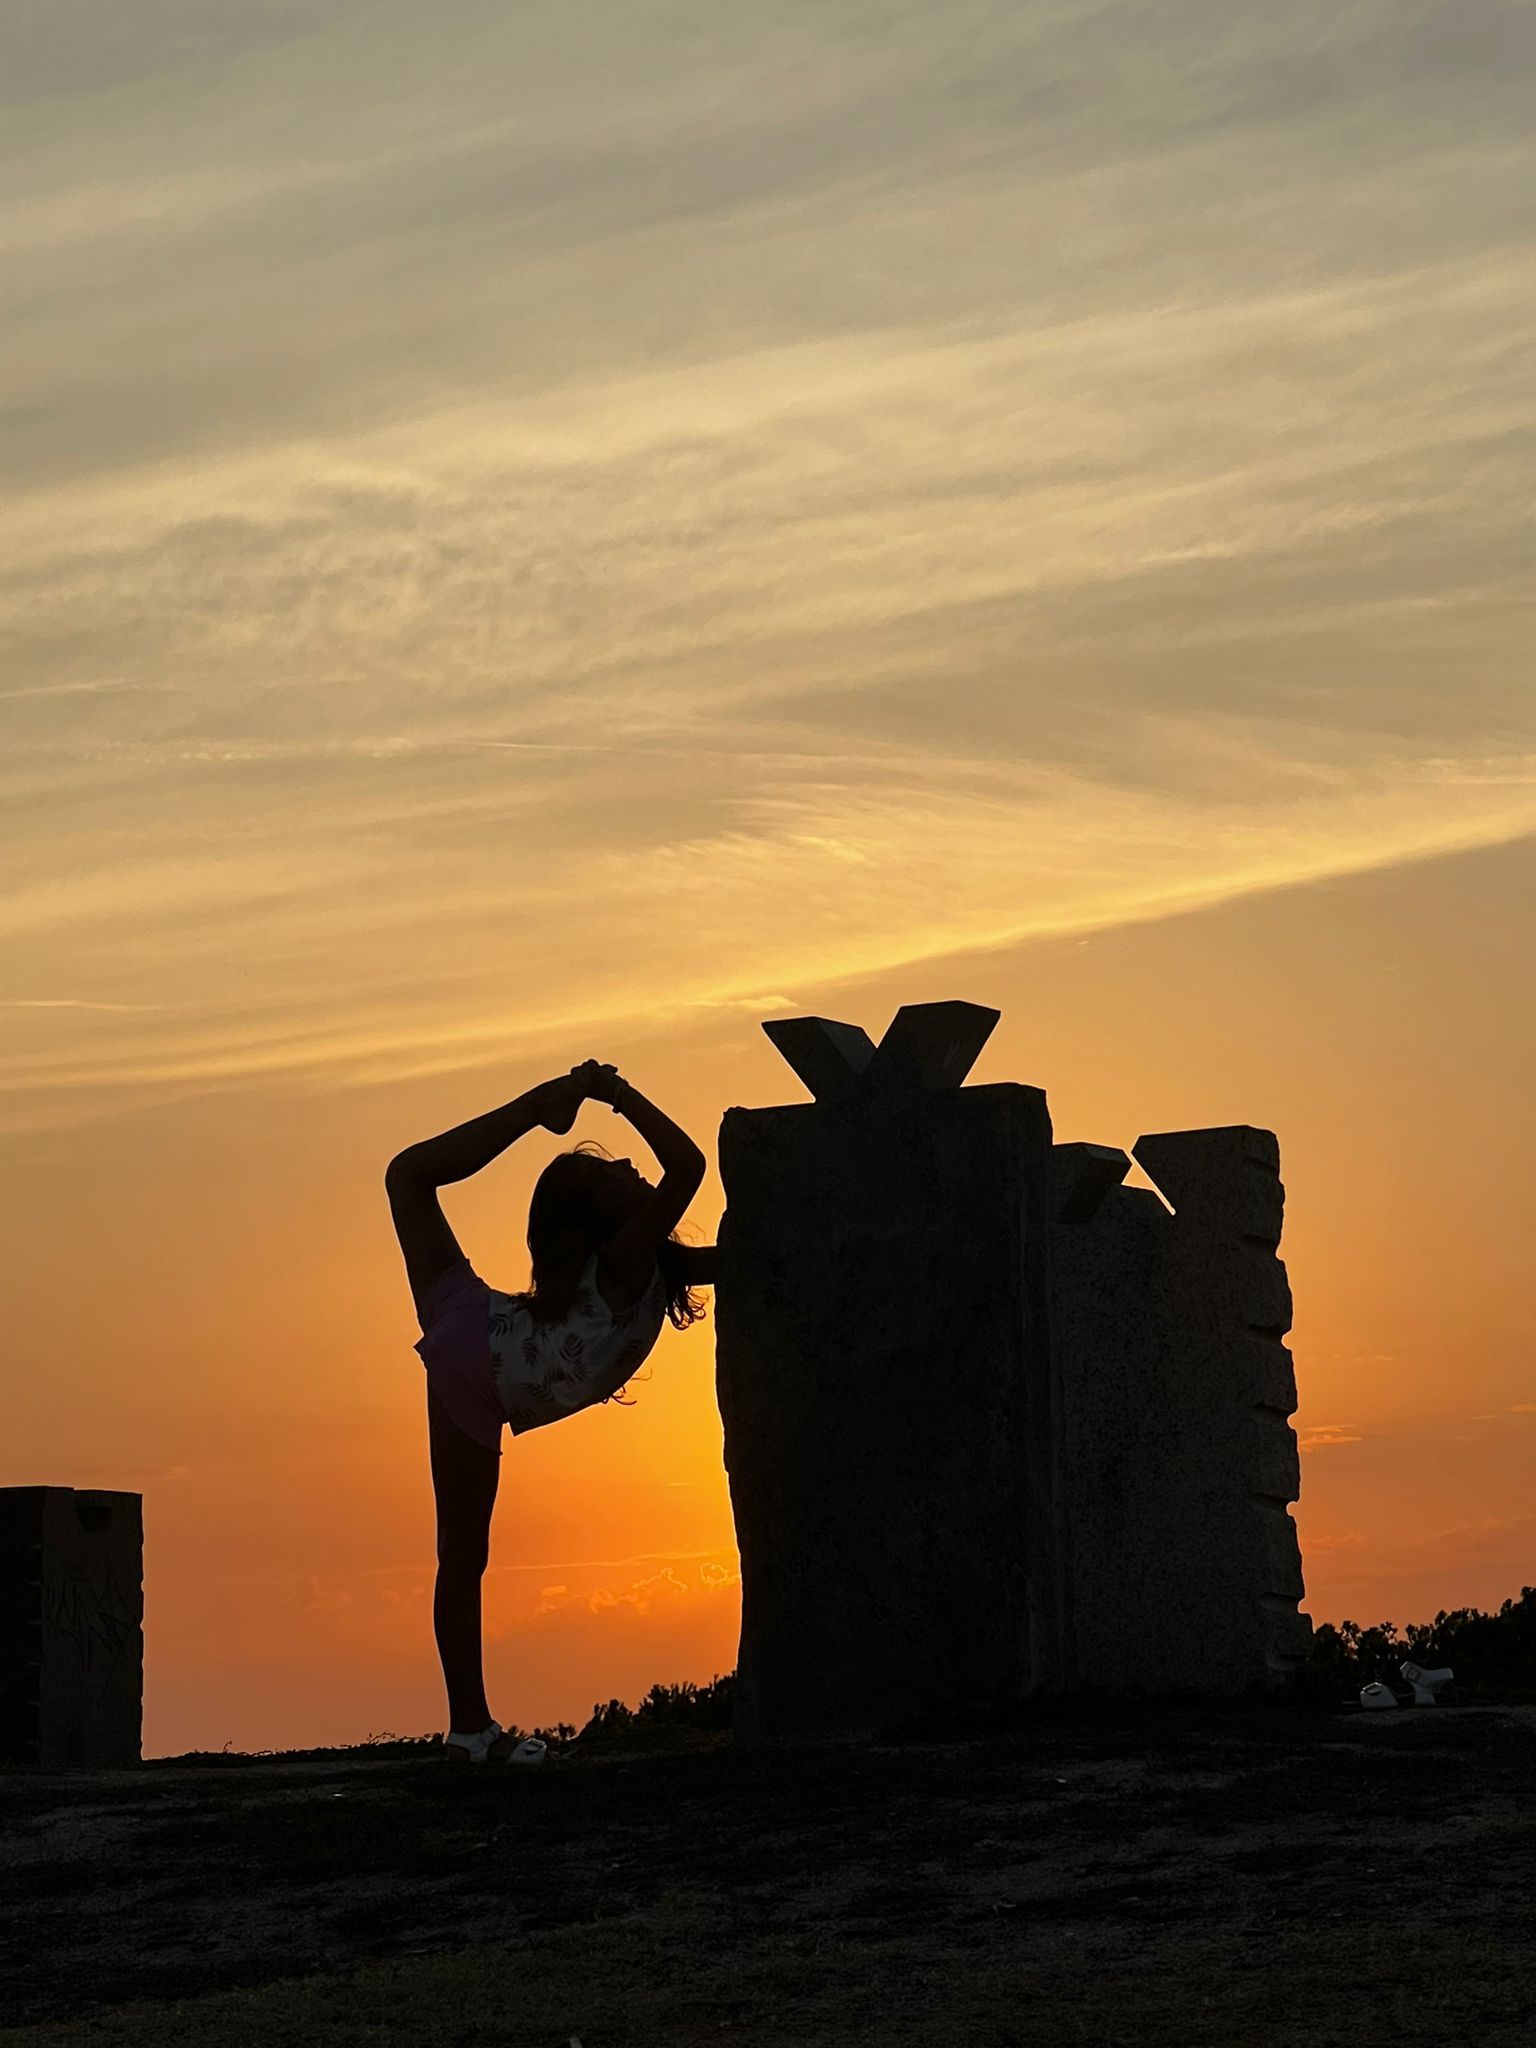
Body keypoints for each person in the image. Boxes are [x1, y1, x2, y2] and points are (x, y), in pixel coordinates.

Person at [385, 1059, 711, 1762]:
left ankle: (471, 1732)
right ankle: (470, 1731)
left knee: (407, 1177)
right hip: (477, 1359)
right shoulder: (624, 1257)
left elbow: (735, 1254)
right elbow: (687, 1165)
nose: (629, 1161)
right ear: (599, 1216)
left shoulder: (640, 1263)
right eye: (611, 1171)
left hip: (476, 1337)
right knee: (462, 1555)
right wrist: (617, 1095)